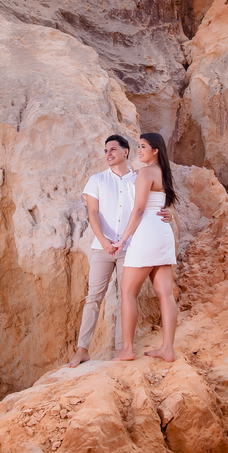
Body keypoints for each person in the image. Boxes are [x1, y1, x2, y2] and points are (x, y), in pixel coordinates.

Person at [67, 134, 173, 368]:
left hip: (131, 247)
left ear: (126, 152)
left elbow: (152, 205)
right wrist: (104, 241)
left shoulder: (139, 177)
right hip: (103, 247)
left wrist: (170, 213)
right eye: (105, 151)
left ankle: (121, 350)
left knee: (123, 296)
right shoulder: (96, 180)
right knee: (93, 298)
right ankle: (82, 350)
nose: (108, 154)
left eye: (113, 149)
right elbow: (92, 213)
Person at [112, 132, 178, 362]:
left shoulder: (145, 172)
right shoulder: (163, 173)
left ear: (155, 149)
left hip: (146, 233)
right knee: (166, 294)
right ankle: (168, 349)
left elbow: (139, 209)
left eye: (142, 146)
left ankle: (128, 349)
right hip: (162, 232)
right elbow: (163, 206)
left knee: (128, 291)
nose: (139, 150)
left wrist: (122, 240)